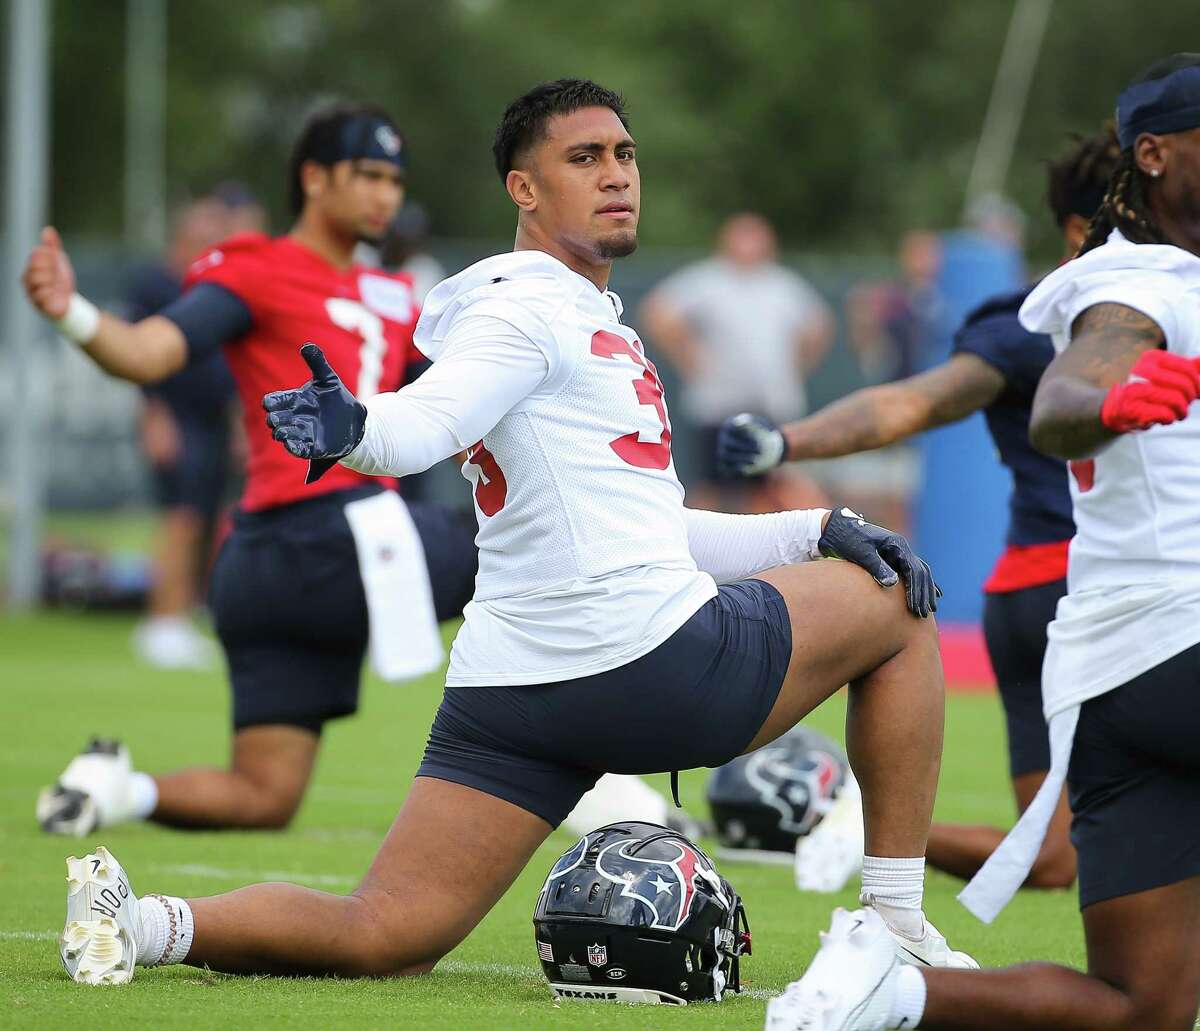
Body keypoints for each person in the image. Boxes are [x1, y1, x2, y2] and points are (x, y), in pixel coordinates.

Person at [47, 78, 974, 990]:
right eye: (583, 158)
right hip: (641, 659)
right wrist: (359, 429)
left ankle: (140, 922)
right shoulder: (528, 305)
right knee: (899, 598)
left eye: (623, 154)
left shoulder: (568, 312)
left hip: (517, 684)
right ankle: (892, 925)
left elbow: (647, 531)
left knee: (383, 931)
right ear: (523, 190)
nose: (616, 175)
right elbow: (427, 420)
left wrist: (818, 524)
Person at [766, 54, 1200, 1031]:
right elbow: (1064, 397)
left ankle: (888, 992)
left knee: (1144, 1004)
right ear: (1157, 153)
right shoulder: (1141, 281)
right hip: (1179, 633)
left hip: (1120, 666)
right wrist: (1113, 398)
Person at [24, 103, 478, 834]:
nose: (385, 195)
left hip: (262, 565)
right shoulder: (259, 269)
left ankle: (117, 789)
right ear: (314, 178)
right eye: (367, 175)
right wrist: (70, 310)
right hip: (331, 535)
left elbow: (461, 412)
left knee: (265, 794)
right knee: (530, 558)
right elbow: (148, 352)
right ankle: (603, 788)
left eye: (394, 179)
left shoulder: (398, 297)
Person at [718, 126, 1120, 892]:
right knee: (1057, 853)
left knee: (1059, 859)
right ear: (1079, 228)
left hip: (1150, 584)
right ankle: (869, 833)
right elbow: (909, 403)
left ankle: (852, 823)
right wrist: (787, 441)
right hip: (1060, 585)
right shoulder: (1031, 323)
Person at [640, 212, 834, 509]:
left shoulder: (782, 286)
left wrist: (795, 371)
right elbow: (658, 312)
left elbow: (819, 327)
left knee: (770, 487)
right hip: (718, 405)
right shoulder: (707, 280)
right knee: (711, 485)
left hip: (771, 405)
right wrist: (689, 359)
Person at [125, 196, 239, 671]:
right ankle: (161, 619)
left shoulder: (216, 289)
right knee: (181, 515)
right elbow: (134, 353)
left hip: (214, 418)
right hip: (176, 416)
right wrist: (153, 416)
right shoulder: (156, 285)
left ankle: (184, 614)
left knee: (210, 514)